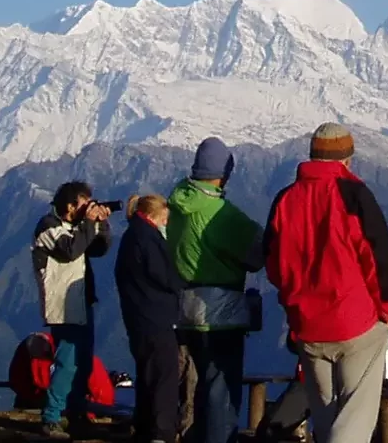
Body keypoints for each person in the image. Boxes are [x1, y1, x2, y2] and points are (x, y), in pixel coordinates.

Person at [264, 122, 388, 443]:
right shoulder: (354, 194)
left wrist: (293, 300)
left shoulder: (285, 198)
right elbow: (376, 256)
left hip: (307, 325)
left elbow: (272, 264)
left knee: (326, 416)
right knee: (354, 414)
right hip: (355, 321)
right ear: (347, 159)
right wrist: (387, 309)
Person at [167, 137, 264, 443]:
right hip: (220, 310)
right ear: (225, 173)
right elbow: (257, 255)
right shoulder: (222, 214)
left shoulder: (176, 204)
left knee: (199, 385)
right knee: (221, 385)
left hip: (183, 307)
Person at [32, 181, 113, 439]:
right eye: (83, 204)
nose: (86, 208)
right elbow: (70, 250)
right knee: (66, 362)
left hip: (82, 301)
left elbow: (98, 249)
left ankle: (76, 413)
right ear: (69, 206)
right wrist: (88, 224)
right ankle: (51, 417)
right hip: (63, 306)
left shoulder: (78, 228)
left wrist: (101, 224)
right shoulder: (48, 226)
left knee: (84, 362)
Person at [116, 194, 185, 443]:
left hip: (138, 317)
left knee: (148, 375)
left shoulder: (132, 236)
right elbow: (162, 275)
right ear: (155, 215)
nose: (166, 224)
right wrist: (182, 281)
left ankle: (145, 427)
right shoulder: (147, 238)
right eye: (165, 218)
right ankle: (161, 431)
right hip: (156, 317)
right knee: (164, 376)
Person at [8, 332, 115, 413]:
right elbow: (18, 380)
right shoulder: (28, 352)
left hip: (70, 403)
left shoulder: (83, 359)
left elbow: (103, 395)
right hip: (50, 402)